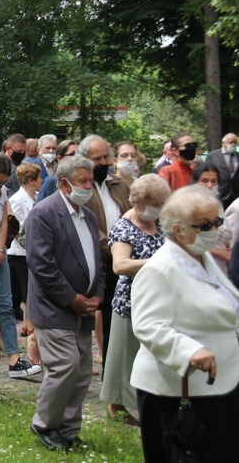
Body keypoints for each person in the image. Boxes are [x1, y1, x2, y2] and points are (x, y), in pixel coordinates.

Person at [130, 185, 239, 462]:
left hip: (220, 384)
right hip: (177, 390)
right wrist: (189, 351)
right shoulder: (159, 269)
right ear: (178, 230)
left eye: (217, 222)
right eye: (205, 225)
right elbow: (148, 326)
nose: (214, 230)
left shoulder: (201, 256)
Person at [25, 155, 104, 452]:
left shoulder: (88, 214)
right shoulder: (44, 213)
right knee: (64, 368)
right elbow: (41, 265)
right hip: (54, 307)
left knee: (82, 372)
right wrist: (73, 299)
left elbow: (96, 260)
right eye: (83, 181)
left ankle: (68, 429)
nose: (88, 186)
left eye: (90, 181)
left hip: (84, 307)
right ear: (64, 184)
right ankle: (45, 424)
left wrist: (98, 294)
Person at [100, 174, 170, 426]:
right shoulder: (125, 226)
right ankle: (117, 407)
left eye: (164, 202)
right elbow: (120, 265)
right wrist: (158, 263)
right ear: (139, 202)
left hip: (159, 300)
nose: (161, 207)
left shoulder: (159, 221)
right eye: (157, 203)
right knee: (124, 356)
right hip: (131, 302)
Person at [0, 154, 41, 377]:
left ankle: (14, 358)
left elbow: (4, 220)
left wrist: (0, 250)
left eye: (3, 182)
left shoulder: (0, 190)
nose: (0, 185)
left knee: (4, 302)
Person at [78, 135, 131, 368]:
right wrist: (107, 243)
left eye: (105, 157)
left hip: (120, 262)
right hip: (92, 261)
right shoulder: (80, 188)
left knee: (113, 320)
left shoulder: (119, 185)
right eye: (96, 158)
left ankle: (112, 367)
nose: (102, 162)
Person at [7, 162, 43, 362]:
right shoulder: (17, 199)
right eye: (38, 178)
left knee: (31, 288)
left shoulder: (36, 197)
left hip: (32, 250)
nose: (41, 181)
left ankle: (29, 324)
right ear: (31, 180)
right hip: (19, 251)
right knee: (26, 290)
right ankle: (28, 325)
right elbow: (19, 226)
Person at [192, 162, 233, 275]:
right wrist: (219, 253)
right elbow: (189, 242)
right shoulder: (190, 207)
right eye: (204, 181)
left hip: (221, 267)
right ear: (196, 183)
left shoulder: (217, 205)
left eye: (214, 181)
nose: (210, 185)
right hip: (201, 265)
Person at [205, 132, 238, 209]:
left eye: (235, 142)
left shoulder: (238, 156)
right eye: (230, 142)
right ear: (223, 143)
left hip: (236, 195)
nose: (233, 144)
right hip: (220, 194)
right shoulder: (212, 156)